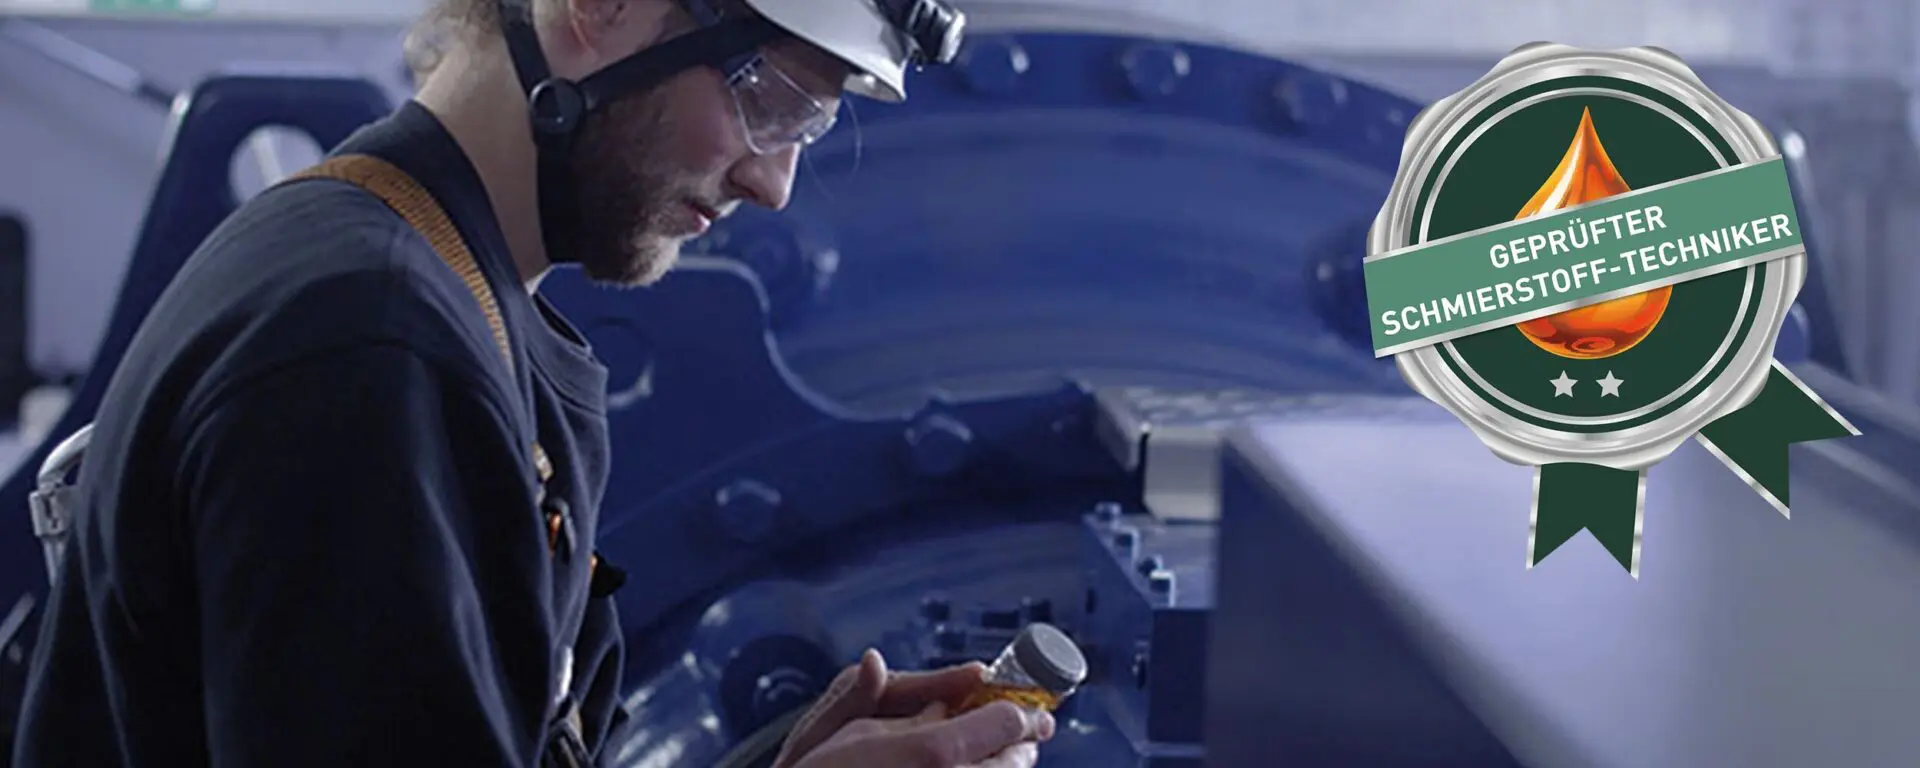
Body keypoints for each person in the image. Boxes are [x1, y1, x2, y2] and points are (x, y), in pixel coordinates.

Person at [9, 0, 1054, 765]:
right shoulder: (372, 349)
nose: (770, 181)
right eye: (768, 99)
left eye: (806, 127)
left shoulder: (430, 286)